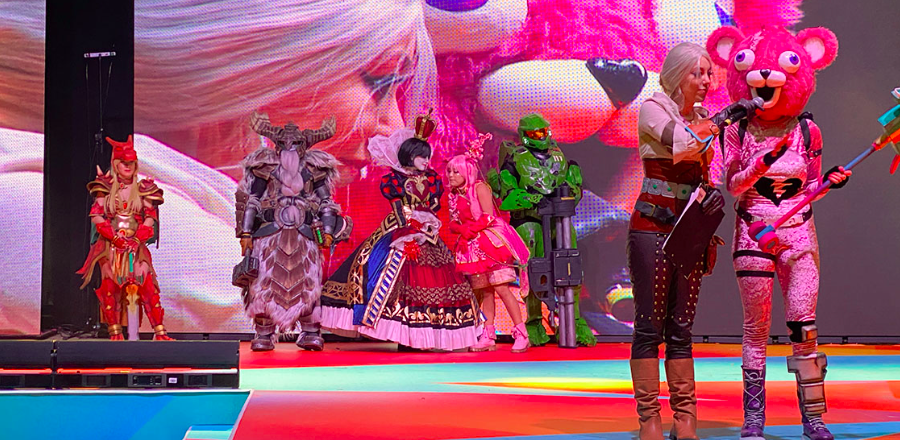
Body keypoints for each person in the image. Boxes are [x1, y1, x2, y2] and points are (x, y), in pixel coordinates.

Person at [708, 24, 847, 440]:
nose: (768, 77)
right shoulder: (737, 129)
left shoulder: (808, 131)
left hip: (799, 237)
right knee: (755, 329)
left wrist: (829, 183)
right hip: (754, 233)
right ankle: (753, 419)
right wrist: (762, 163)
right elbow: (733, 186)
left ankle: (814, 418)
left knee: (804, 328)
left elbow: (810, 186)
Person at [627, 42, 727, 440]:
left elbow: (707, 166)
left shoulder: (701, 118)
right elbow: (682, 145)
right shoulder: (653, 108)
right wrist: (717, 124)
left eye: (708, 73)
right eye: (696, 73)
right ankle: (649, 420)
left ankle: (685, 420)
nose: (705, 81)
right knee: (649, 326)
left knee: (682, 328)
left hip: (688, 228)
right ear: (676, 75)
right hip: (652, 224)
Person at [319, 111, 480, 350]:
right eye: (422, 157)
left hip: (427, 230)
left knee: (435, 279)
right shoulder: (394, 180)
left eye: (428, 156)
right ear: (410, 156)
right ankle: (399, 332)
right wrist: (410, 226)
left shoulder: (432, 179)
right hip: (401, 229)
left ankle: (422, 336)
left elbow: (434, 205)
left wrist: (427, 221)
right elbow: (397, 208)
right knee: (377, 271)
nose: (426, 161)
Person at [235, 112, 351, 352]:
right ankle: (264, 333)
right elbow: (253, 200)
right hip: (270, 236)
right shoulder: (265, 167)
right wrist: (245, 233)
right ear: (276, 146)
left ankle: (310, 331)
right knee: (264, 283)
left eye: (296, 143)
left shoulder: (314, 168)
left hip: (304, 236)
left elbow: (326, 203)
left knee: (308, 283)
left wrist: (328, 231)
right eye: (284, 143)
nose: (290, 148)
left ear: (304, 146)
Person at [77, 136, 173, 341]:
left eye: (131, 163)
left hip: (135, 244)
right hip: (110, 244)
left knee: (146, 282)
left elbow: (150, 219)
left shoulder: (143, 188)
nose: (127, 166)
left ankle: (160, 332)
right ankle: (115, 332)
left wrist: (137, 240)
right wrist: (114, 238)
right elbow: (97, 216)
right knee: (109, 283)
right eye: (123, 162)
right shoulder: (105, 186)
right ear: (115, 164)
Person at [445, 133, 531, 353]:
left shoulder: (479, 188)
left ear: (467, 171)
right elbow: (453, 222)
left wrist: (471, 230)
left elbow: (489, 216)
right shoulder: (453, 195)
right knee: (486, 292)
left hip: (490, 242)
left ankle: (522, 332)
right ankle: (488, 334)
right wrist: (462, 230)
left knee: (501, 288)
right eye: (449, 171)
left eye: (456, 171)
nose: (451, 175)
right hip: (471, 247)